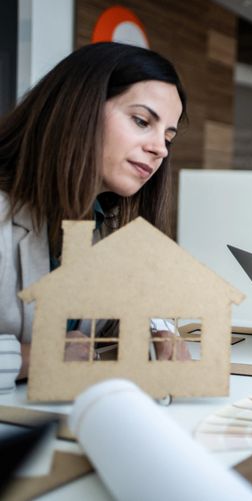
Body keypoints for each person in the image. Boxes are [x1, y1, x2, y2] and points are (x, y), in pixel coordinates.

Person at [0, 42, 191, 381]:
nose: (160, 148)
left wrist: (154, 328)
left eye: (168, 136)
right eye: (141, 121)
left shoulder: (105, 222)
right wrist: (35, 357)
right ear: (79, 108)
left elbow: (135, 302)